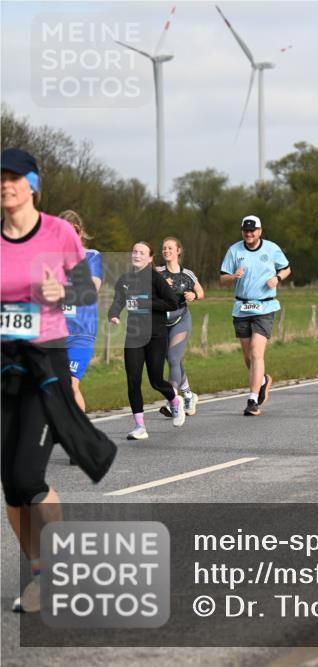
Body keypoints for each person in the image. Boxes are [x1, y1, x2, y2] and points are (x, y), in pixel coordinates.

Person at [2, 148, 114, 613]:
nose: (4, 185)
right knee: (10, 485)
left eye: (12, 177)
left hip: (45, 362)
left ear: (33, 183)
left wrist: (61, 290)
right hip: (3, 362)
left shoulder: (58, 232)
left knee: (28, 475)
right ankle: (39, 570)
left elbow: (88, 289)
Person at [108, 241, 185, 439]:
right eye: (134, 251)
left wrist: (148, 302)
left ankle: (175, 401)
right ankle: (140, 426)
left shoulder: (156, 279)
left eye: (142, 252)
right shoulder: (125, 279)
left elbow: (172, 302)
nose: (137, 255)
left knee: (156, 381)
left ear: (150, 258)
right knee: (133, 380)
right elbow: (118, 301)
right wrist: (113, 315)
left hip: (156, 335)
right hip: (134, 336)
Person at [220, 215, 291, 416]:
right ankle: (262, 380)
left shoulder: (271, 249)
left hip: (265, 307)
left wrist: (277, 278)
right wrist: (233, 277)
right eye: (246, 230)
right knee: (247, 356)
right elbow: (222, 278)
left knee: (256, 352)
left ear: (260, 231)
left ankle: (252, 399)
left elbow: (286, 269)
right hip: (242, 307)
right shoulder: (234, 250)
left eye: (253, 230)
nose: (249, 234)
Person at [59, 211, 103, 412]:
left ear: (80, 232)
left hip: (81, 332)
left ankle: (81, 436)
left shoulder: (91, 256)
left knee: (71, 384)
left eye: (73, 231)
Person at [156, 237, 203, 418]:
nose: (166, 251)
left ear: (178, 251)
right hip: (161, 322)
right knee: (173, 359)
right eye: (164, 248)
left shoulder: (187, 274)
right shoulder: (157, 272)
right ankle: (189, 395)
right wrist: (160, 286)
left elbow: (201, 292)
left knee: (173, 357)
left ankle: (172, 400)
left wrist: (194, 295)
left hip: (181, 320)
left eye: (170, 248)